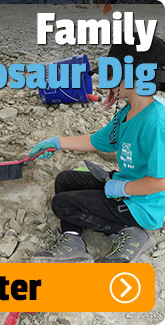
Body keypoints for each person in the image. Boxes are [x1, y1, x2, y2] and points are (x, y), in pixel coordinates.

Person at [30, 34, 165, 264]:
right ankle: (73, 240)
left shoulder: (155, 122)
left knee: (63, 204)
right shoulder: (127, 112)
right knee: (65, 181)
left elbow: (160, 181)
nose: (106, 79)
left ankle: (131, 232)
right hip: (126, 189)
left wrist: (122, 187)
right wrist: (57, 142)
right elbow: (96, 141)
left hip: (142, 206)